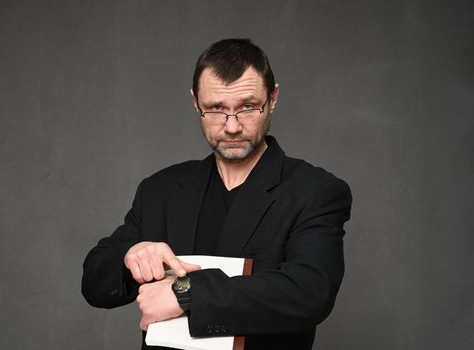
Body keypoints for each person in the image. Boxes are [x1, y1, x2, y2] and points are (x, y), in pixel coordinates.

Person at [82, 38, 352, 350]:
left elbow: (309, 291)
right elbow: (94, 283)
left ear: (273, 98)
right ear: (196, 102)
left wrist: (185, 293)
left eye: (248, 106)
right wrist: (131, 258)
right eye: (216, 109)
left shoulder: (315, 191)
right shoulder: (160, 189)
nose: (232, 126)